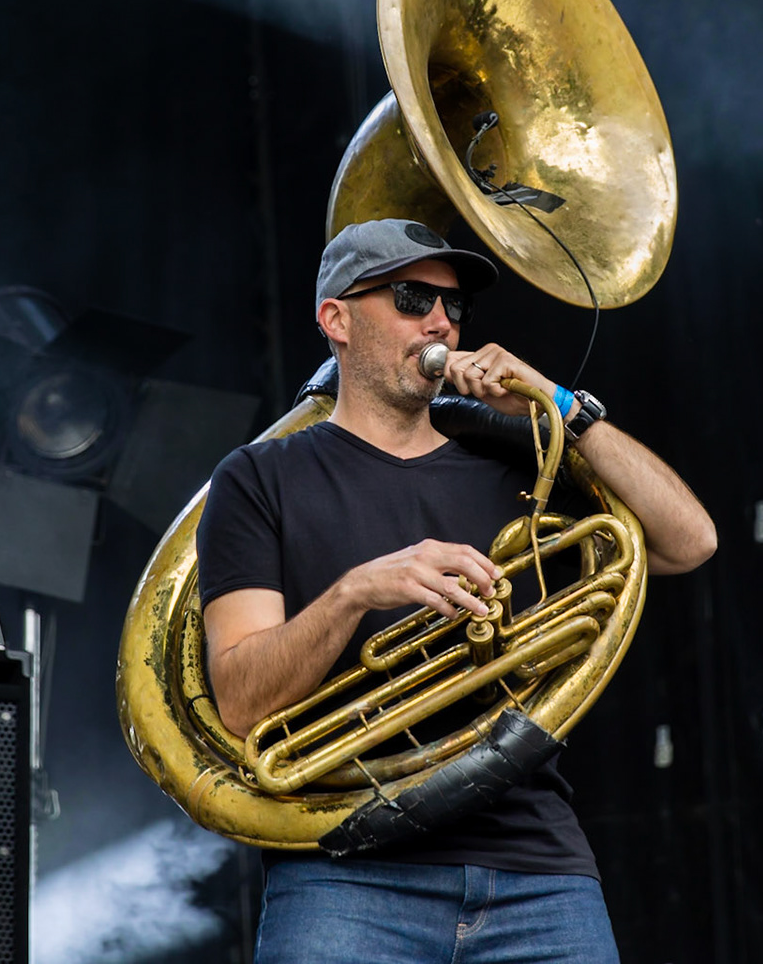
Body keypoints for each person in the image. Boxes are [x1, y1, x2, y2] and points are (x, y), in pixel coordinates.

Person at [196, 217, 718, 964]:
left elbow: (689, 541)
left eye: (454, 305)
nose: (442, 321)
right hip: (346, 872)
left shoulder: (514, 453)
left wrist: (559, 406)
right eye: (412, 298)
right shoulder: (258, 478)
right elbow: (243, 701)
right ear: (335, 320)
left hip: (537, 870)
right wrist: (355, 592)